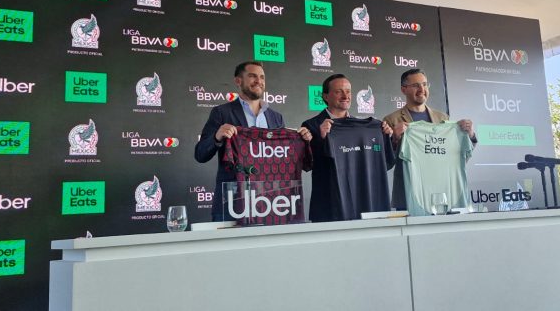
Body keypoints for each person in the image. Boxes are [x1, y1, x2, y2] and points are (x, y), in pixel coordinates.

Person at [194, 60, 312, 221]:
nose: (259, 81)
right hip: (233, 201)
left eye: (262, 77)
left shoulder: (276, 117)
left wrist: (302, 140)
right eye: (252, 76)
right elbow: (200, 154)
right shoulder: (221, 112)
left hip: (272, 202)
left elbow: (285, 158)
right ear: (238, 81)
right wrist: (217, 137)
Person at [301, 74, 393, 222]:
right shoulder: (311, 125)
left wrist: (386, 139)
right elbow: (308, 164)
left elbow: (385, 164)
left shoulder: (366, 128)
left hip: (362, 203)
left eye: (348, 91)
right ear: (325, 96)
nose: (345, 96)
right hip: (329, 206)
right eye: (339, 91)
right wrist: (322, 139)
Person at [382, 68, 476, 210]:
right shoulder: (391, 120)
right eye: (416, 85)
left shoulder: (443, 118)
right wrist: (394, 140)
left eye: (425, 84)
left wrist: (470, 136)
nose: (422, 89)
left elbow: (457, 157)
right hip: (410, 195)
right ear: (403, 89)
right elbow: (386, 163)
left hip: (443, 192)